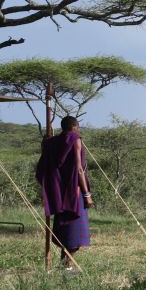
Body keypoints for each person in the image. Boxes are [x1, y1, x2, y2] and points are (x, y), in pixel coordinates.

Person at [36, 115, 93, 270]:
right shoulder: (75, 139)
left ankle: (65, 266)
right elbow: (79, 168)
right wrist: (87, 194)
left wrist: (45, 143)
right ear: (74, 126)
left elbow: (45, 165)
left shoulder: (51, 143)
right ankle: (65, 266)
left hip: (59, 193)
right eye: (78, 127)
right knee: (75, 233)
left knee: (66, 230)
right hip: (74, 193)